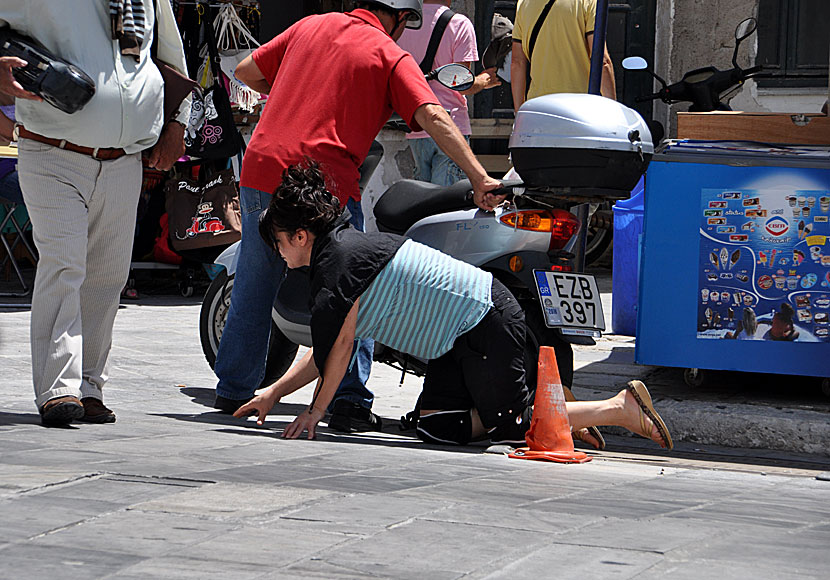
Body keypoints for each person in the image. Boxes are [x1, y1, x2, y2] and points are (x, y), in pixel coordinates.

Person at [233, 160, 673, 452]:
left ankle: (617, 408)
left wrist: (314, 413)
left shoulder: (337, 269)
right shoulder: (340, 255)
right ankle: (556, 407)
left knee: (512, 424)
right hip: (458, 340)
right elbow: (329, 346)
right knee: (436, 426)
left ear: (300, 236)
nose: (279, 254)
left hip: (486, 323)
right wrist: (272, 394)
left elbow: (340, 348)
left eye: (277, 244)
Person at [214, 0, 505, 432]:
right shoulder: (389, 54)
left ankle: (235, 392)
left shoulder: (311, 24)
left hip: (263, 166)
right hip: (323, 183)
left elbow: (246, 72)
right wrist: (480, 177)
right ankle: (349, 399)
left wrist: (299, 88)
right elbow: (433, 114)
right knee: (354, 285)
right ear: (402, 19)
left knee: (256, 280)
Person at [0, 1, 190, 426]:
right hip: (52, 151)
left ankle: (88, 386)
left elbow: (170, 59)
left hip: (125, 159)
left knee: (108, 277)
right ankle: (57, 388)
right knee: (64, 265)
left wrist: (177, 123)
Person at [397, 0, 501, 185]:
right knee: (446, 205)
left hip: (417, 124)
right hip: (450, 125)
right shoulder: (459, 23)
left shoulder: (405, 24)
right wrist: (484, 80)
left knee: (423, 201)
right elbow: (463, 84)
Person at [510, 0, 617, 112]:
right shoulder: (588, 2)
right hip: (581, 108)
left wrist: (519, 112)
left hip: (539, 108)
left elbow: (517, 63)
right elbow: (602, 61)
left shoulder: (524, 3)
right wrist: (614, 111)